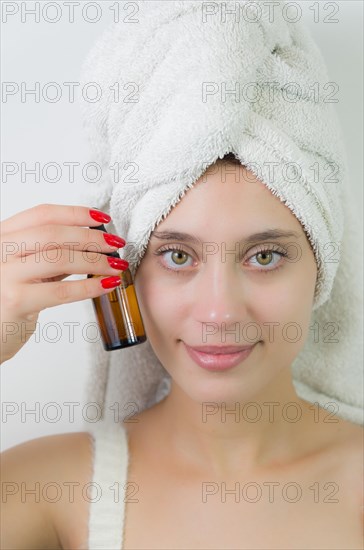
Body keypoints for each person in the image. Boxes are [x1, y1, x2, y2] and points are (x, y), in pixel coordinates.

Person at [1, 155, 363, 549]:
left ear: (321, 272)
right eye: (177, 255)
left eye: (264, 256)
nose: (219, 313)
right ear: (125, 276)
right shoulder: (45, 488)